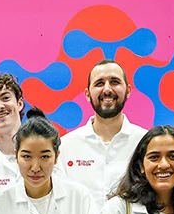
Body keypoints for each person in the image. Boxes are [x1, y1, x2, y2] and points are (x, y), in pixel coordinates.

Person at [59, 59, 147, 205]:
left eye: (114, 82)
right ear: (87, 94)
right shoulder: (65, 147)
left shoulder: (146, 143)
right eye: (99, 83)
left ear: (128, 91)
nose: (107, 90)